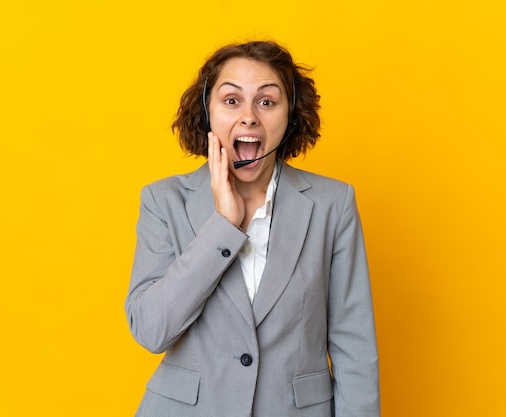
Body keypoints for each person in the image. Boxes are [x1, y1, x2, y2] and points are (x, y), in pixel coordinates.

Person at [125, 40, 380, 417]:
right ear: (207, 114)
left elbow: (354, 346)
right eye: (231, 101)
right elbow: (151, 330)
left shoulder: (333, 204)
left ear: (290, 116)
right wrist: (223, 227)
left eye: (266, 101)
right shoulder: (163, 201)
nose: (248, 117)